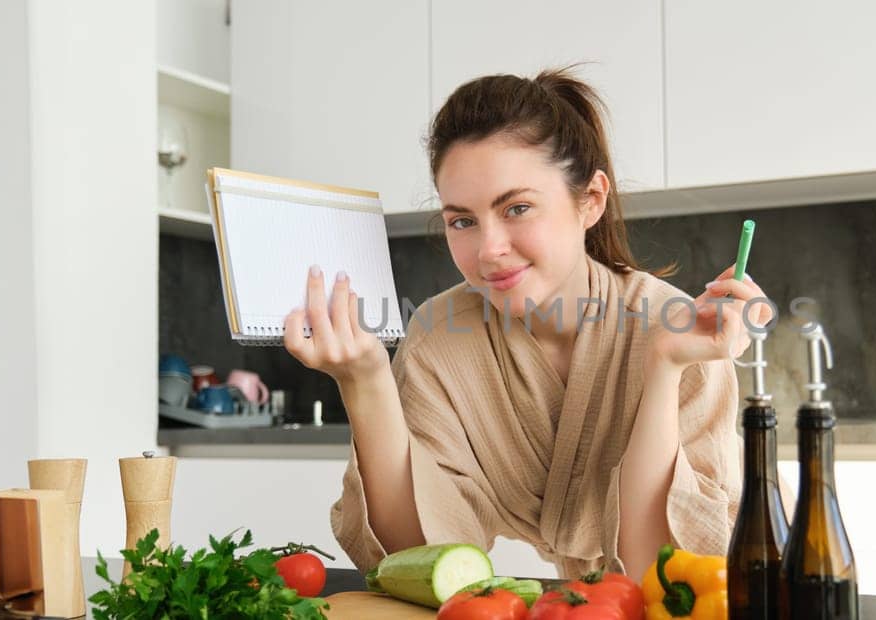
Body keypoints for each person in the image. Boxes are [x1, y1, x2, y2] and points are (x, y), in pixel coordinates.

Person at [283, 66, 773, 580]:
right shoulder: (440, 336)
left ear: (590, 201)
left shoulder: (679, 331)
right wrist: (365, 382)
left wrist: (664, 367)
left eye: (517, 208)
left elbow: (665, 576)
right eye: (463, 221)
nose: (489, 251)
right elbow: (418, 560)